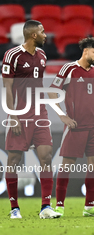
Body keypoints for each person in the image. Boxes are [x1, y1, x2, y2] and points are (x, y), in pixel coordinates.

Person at [2, 20, 61, 219]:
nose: (46, 35)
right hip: (20, 113)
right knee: (14, 160)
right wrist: (13, 115)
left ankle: (45, 207)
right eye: (43, 32)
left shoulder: (43, 55)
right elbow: (8, 88)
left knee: (46, 157)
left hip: (40, 113)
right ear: (33, 35)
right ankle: (14, 208)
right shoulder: (12, 55)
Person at [48, 37, 94, 217]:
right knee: (66, 166)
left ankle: (89, 206)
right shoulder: (70, 69)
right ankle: (59, 205)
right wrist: (62, 116)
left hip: (93, 127)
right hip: (76, 126)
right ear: (86, 51)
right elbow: (52, 92)